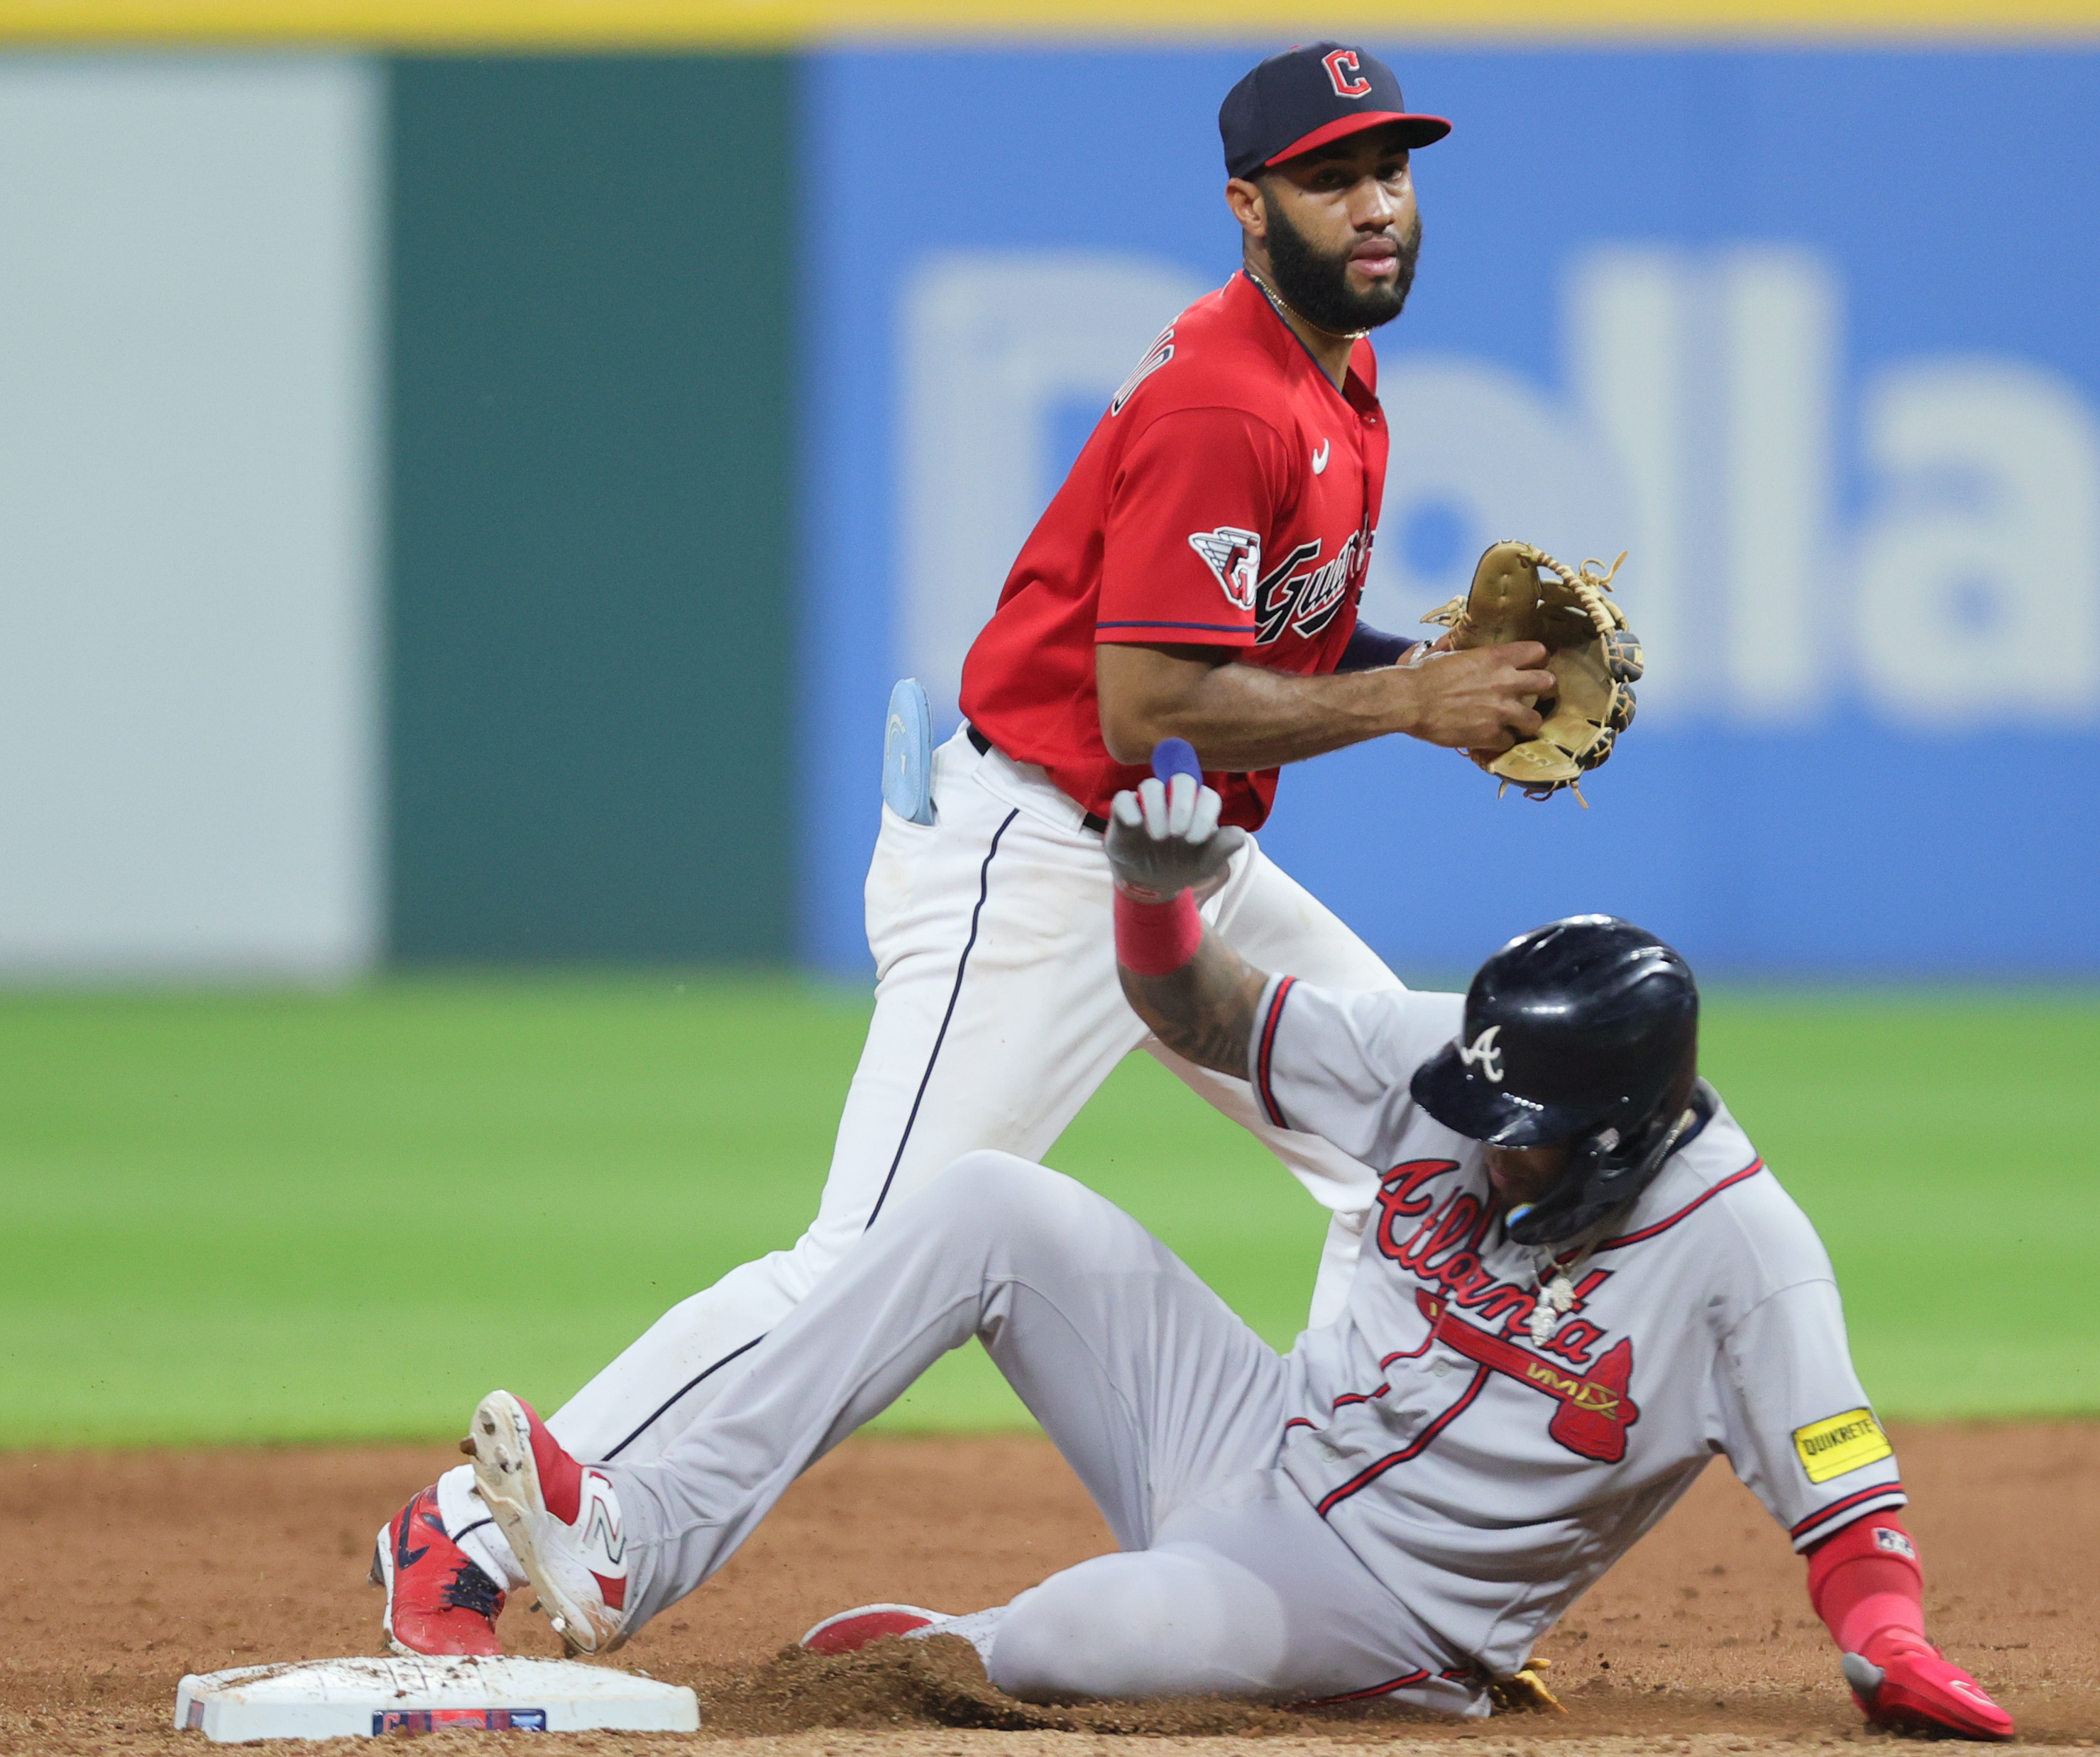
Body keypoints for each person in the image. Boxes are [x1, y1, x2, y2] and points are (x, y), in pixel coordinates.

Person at [373, 39, 1565, 1658]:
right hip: (1054, 860)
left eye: (1395, 171)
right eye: (1334, 177)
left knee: (1415, 1150)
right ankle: (452, 1534)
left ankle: (1346, 1531)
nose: (1377, 206)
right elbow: (1148, 692)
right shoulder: (1230, 393)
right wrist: (1415, 704)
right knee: (868, 1261)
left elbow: (1249, 634)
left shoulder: (1335, 378)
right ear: (1247, 205)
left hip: (1177, 857)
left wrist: (1434, 670)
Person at [441, 761, 2014, 1739]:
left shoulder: (1745, 1253)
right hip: (1252, 1433)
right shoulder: (1445, 1069)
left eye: (1522, 1125)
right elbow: (1201, 1015)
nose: (1484, 1135)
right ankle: (639, 1531)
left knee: (1065, 1631)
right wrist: (1152, 908)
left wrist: (1890, 1647)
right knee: (982, 1199)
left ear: (1618, 1132)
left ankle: (978, 1644)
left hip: (1390, 1614)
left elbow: (1845, 1496)